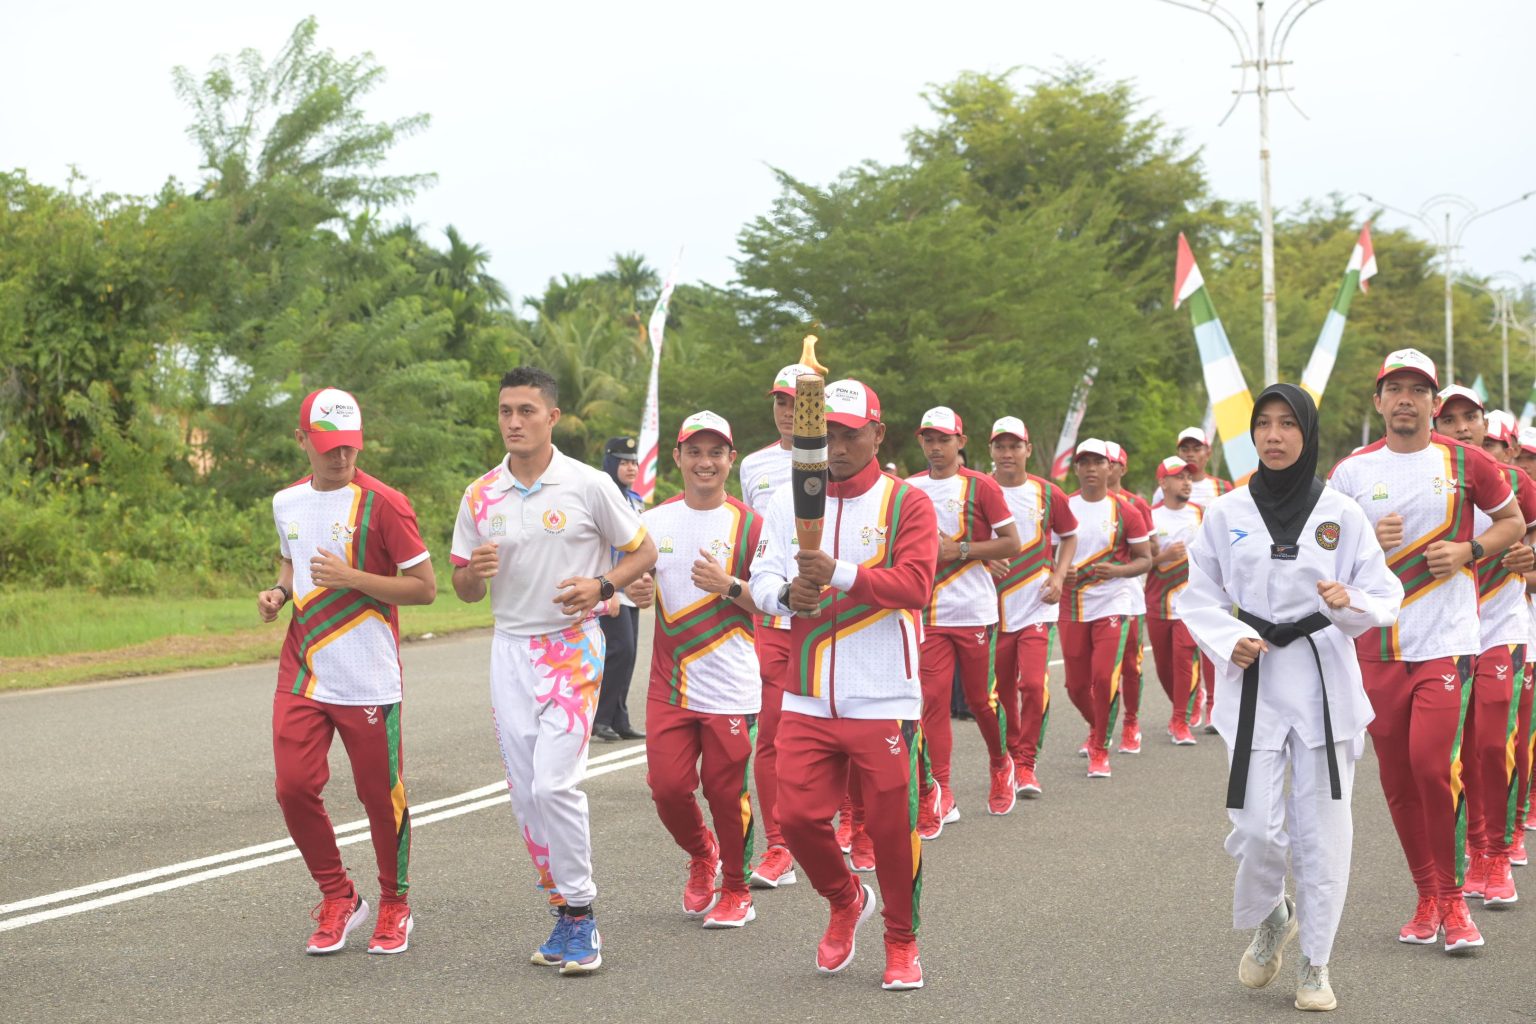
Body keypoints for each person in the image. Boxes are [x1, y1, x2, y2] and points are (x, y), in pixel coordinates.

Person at [1178, 383, 1403, 1013]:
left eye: (1288, 425)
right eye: (1264, 425)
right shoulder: (1226, 513)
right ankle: (1274, 913)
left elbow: (1385, 596)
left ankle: (1315, 962)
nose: (1274, 436)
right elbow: (1195, 596)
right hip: (1253, 682)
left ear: (1307, 433)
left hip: (1323, 681)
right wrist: (1230, 637)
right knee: (1254, 829)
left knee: (1322, 831)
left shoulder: (1341, 513)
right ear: (1252, 434)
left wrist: (1348, 601)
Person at [449, 366, 658, 975]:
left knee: (553, 784)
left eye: (526, 411)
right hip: (509, 650)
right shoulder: (479, 494)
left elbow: (642, 550)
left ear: (552, 418)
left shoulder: (589, 485)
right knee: (523, 795)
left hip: (570, 648)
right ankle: (564, 908)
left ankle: (584, 915)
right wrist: (474, 572)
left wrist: (601, 585)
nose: (513, 422)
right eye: (505, 411)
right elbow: (461, 586)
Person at [1328, 349, 1522, 952]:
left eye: (1418, 389)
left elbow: (1512, 522)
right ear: (1379, 400)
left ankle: (1457, 901)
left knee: (1434, 768)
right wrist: (1362, 535)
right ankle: (1427, 894)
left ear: (1433, 404)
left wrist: (1470, 551)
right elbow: (1322, 549)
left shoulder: (1468, 462)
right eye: (1396, 388)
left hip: (1446, 643)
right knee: (1398, 780)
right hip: (1377, 647)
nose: (1406, 399)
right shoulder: (1351, 474)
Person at [749, 379, 938, 990]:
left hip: (882, 694)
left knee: (888, 830)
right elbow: (762, 577)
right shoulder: (786, 501)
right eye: (824, 433)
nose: (836, 444)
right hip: (806, 689)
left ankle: (902, 941)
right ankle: (844, 899)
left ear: (877, 434)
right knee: (798, 818)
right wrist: (785, 594)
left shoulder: (905, 503)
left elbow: (914, 585)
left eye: (849, 432)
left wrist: (838, 575)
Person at [260, 387, 436, 956]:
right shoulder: (287, 502)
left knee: (379, 797)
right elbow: (292, 555)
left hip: (368, 677)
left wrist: (353, 578)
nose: (341, 459)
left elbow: (425, 589)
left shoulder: (385, 504)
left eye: (350, 448)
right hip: (305, 668)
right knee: (293, 786)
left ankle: (394, 902)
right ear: (302, 440)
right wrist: (281, 591)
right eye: (329, 447)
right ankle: (339, 897)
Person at [632, 412, 764, 928]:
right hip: (670, 682)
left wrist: (728, 585)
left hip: (730, 685)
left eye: (716, 453)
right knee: (667, 787)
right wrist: (637, 590)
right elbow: (636, 582)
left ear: (730, 459)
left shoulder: (752, 525)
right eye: (695, 452)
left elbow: (777, 605)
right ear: (678, 458)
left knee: (727, 793)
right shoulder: (654, 521)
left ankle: (736, 887)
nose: (705, 462)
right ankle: (701, 852)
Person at [1432, 393, 1536, 903]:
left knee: (1495, 743)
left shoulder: (1516, 484)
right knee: (1458, 752)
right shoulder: (1427, 480)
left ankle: (1498, 855)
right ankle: (1474, 848)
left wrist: (1531, 562)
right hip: (1445, 632)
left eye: (1470, 418)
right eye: (1448, 420)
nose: (1462, 428)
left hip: (1501, 626)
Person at [908, 407, 1022, 827]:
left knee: (980, 701)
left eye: (944, 440)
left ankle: (1000, 762)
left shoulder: (982, 487)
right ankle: (942, 790)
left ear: (961, 441)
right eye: (929, 440)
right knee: (932, 702)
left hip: (973, 611)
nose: (936, 448)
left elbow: (1012, 543)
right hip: (928, 613)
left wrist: (961, 551)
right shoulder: (909, 488)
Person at [736, 362, 814, 889]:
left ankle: (855, 823)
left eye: (796, 402)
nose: (788, 411)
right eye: (780, 402)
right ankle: (778, 845)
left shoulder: (840, 460)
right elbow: (751, 541)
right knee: (770, 737)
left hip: (831, 621)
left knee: (839, 730)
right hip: (773, 616)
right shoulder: (755, 466)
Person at [987, 416, 1078, 796]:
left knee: (1031, 683)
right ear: (990, 450)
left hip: (1037, 604)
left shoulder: (1048, 493)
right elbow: (967, 539)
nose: (1008, 454)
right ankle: (1007, 758)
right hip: (992, 608)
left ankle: (1026, 763)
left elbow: (1069, 536)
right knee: (1001, 691)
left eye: (1014, 446)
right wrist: (982, 559)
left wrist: (1058, 577)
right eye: (1000, 447)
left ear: (1026, 449)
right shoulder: (980, 489)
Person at [1059, 439, 1153, 779]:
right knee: (1074, 686)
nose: (1091, 469)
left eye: (1097, 462)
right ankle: (1099, 725)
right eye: (1084, 463)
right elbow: (1046, 552)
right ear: (1077, 468)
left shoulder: (1126, 510)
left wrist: (1118, 571)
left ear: (1108, 467)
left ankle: (1099, 747)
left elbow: (1145, 559)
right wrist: (1058, 572)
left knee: (1103, 676)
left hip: (1113, 601)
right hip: (1072, 605)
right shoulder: (1064, 506)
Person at [1144, 456, 1207, 746]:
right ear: (1163, 483)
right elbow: (1139, 561)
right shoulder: (1149, 516)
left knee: (1184, 659)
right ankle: (1185, 701)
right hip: (1157, 600)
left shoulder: (1201, 514)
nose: (1186, 482)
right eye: (1179, 477)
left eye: (1188, 477)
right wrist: (1163, 558)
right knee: (1164, 666)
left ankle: (1179, 719)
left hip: (1190, 603)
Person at [593, 436, 647, 742]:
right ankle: (600, 718)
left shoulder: (635, 500)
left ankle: (619, 717)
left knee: (630, 654)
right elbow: (598, 545)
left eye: (634, 462)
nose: (631, 467)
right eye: (624, 462)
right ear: (611, 463)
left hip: (631, 587)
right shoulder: (603, 497)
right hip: (611, 586)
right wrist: (608, 588)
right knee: (619, 650)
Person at [1106, 440, 1155, 753]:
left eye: (1110, 462)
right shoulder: (1078, 503)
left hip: (1129, 598)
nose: (1103, 467)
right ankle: (1099, 728)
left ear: (1122, 468)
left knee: (1130, 666)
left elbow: (1148, 554)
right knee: (1098, 671)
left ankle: (1131, 722)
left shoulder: (1136, 505)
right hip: (1090, 601)